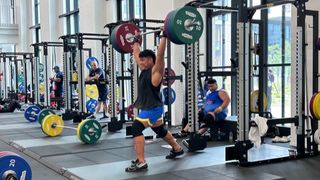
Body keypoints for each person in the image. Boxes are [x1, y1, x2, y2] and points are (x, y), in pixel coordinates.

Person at [125, 32, 184, 172]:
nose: (142, 62)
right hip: (153, 108)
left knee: (136, 128)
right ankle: (177, 148)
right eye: (142, 60)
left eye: (145, 60)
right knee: (159, 130)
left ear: (152, 60)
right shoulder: (143, 69)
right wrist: (136, 42)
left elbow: (160, 55)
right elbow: (137, 54)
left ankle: (141, 162)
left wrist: (164, 36)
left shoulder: (155, 71)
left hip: (153, 108)